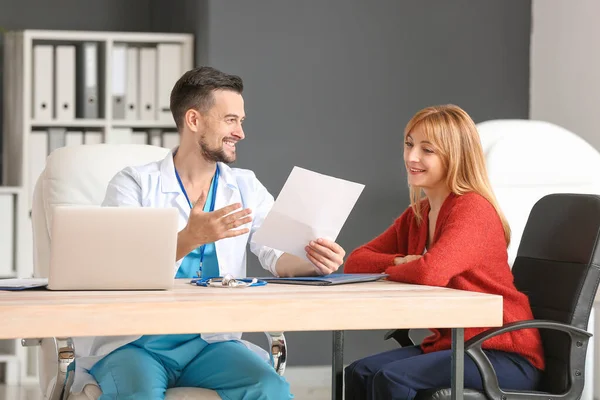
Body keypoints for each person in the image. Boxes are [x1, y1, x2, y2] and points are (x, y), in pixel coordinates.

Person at [69, 66, 346, 400]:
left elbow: (277, 256)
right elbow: (119, 268)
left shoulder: (244, 186)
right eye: (231, 120)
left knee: (269, 387)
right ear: (194, 120)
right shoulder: (134, 184)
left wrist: (314, 262)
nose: (241, 132)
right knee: (138, 394)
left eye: (241, 121)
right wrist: (190, 237)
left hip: (208, 343)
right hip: (135, 343)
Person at [343, 105, 545, 400]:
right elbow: (356, 262)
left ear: (456, 156)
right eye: (409, 144)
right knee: (358, 372)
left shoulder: (472, 209)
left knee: (393, 380)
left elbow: (430, 272)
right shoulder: (419, 213)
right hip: (455, 345)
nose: (412, 157)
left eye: (428, 150)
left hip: (500, 351)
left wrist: (416, 265)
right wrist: (400, 261)